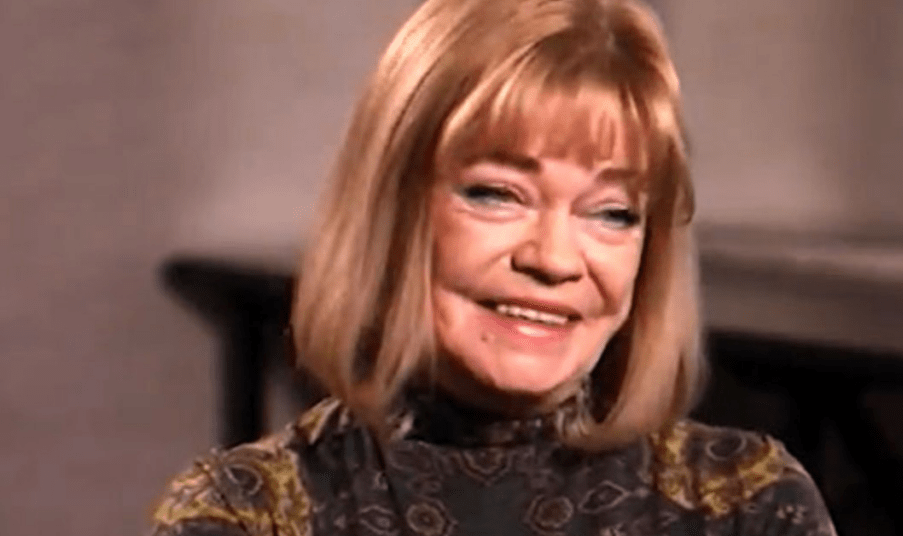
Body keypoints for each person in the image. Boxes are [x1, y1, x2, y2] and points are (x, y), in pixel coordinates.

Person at [149, 0, 837, 534]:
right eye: (496, 194)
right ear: (394, 210)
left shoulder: (748, 506)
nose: (554, 258)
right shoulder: (246, 513)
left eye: (612, 212)